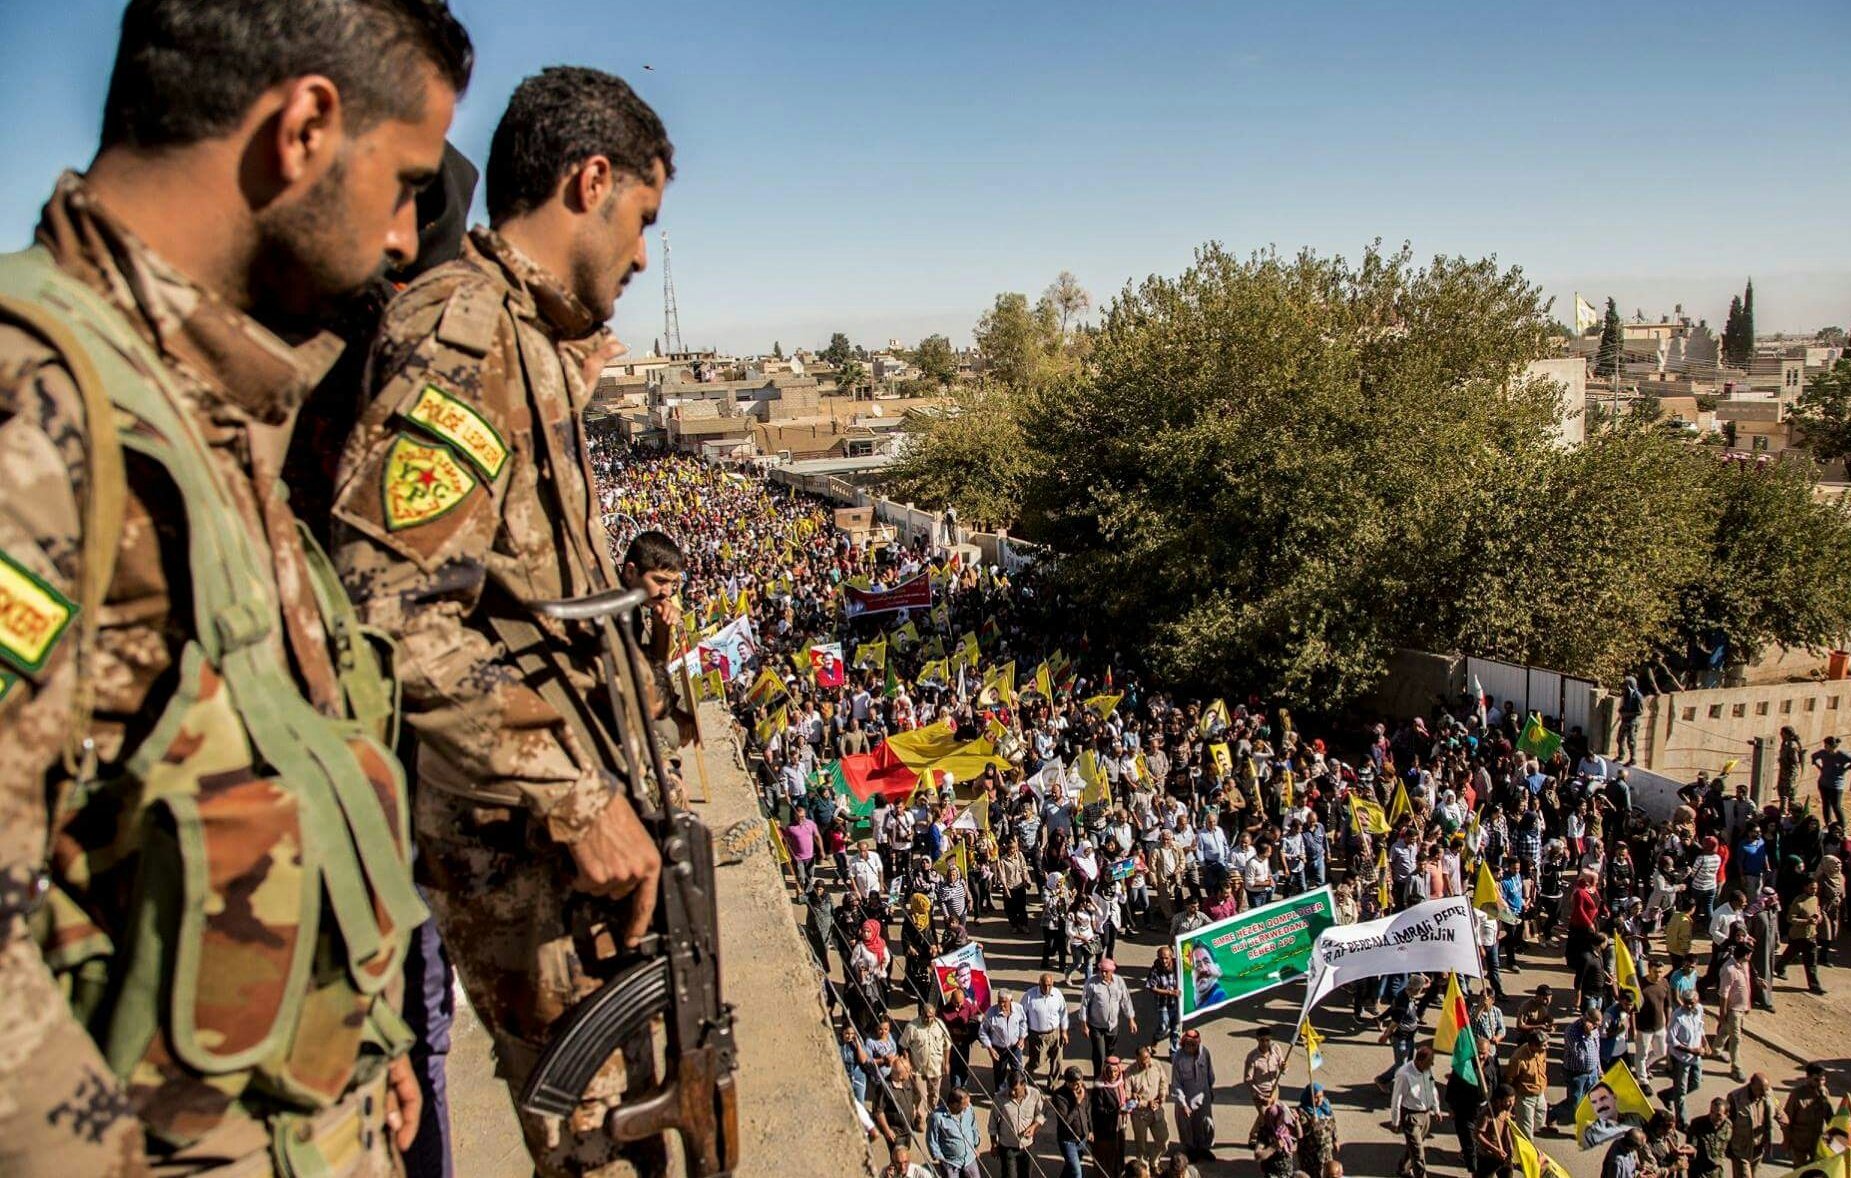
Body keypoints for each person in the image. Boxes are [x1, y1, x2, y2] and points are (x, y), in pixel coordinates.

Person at [0, 0, 472, 1172]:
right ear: (305, 125)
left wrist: (357, 1058)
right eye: (405, 180)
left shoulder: (197, 404)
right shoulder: (39, 410)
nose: (410, 239)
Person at [330, 65, 677, 1176]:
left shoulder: (518, 336)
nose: (639, 254)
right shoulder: (463, 331)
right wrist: (573, 796)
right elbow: (389, 606)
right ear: (591, 180)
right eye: (643, 221)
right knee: (599, 1145)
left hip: (570, 855)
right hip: (522, 851)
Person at [1389, 1045, 1442, 1178]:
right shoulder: (1404, 1074)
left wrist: (1436, 1109)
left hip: (1425, 1115)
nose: (1431, 1065)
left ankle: (1403, 1168)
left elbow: (1432, 1088)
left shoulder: (1427, 1069)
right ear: (1420, 1061)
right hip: (1411, 1116)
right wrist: (1395, 1121)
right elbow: (1397, 1099)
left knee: (1414, 1146)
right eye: (1429, 1062)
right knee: (1418, 1152)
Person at [1081, 958, 1137, 1074]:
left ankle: (1109, 1076)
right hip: (1096, 1026)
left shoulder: (1119, 982)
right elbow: (1084, 1005)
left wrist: (1131, 1019)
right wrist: (1084, 1024)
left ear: (1112, 971)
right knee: (1099, 1055)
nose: (1103, 974)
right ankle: (1098, 1081)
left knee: (1110, 1054)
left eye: (1106, 971)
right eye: (1101, 971)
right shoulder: (1091, 983)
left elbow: (1125, 1000)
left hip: (1112, 1026)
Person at [1725, 1073, 1785, 1178]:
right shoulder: (1736, 1098)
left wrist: (1781, 1116)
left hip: (1758, 1147)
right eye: (1760, 1090)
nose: (1764, 1094)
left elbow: (1776, 1105)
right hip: (1741, 1149)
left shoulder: (1768, 1093)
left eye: (1766, 1090)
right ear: (1751, 1085)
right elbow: (1727, 1123)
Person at [1171, 1029, 1218, 1163]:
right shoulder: (1178, 1058)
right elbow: (1176, 1083)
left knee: (1206, 1124)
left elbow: (1210, 1073)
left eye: (1193, 1045)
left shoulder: (1205, 1053)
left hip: (1204, 1096)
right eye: (1188, 1044)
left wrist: (1210, 1091)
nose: (1190, 1048)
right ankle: (1191, 1150)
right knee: (1187, 1127)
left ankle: (1204, 1148)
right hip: (1187, 1099)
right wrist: (1183, 1104)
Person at [988, 1073, 1045, 1178]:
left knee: (1026, 1175)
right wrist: (994, 1144)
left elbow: (1041, 1114)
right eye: (1010, 1089)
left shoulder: (1035, 1094)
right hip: (1007, 1146)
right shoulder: (999, 1097)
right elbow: (992, 1122)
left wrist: (1034, 1127)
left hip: (1027, 1145)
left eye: (1015, 1089)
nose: (1012, 1092)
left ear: (1024, 1085)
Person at [1775, 879, 1826, 994]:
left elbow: (1818, 912)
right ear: (1805, 887)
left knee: (1811, 961)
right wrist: (1807, 921)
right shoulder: (1798, 902)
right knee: (1790, 954)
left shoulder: (1815, 899)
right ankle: (1779, 967)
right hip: (1798, 936)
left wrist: (1819, 918)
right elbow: (1790, 918)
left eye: (1816, 888)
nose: (1814, 891)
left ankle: (1814, 985)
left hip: (1811, 935)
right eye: (1812, 888)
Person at [1667, 985, 1708, 1128]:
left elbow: (1700, 1028)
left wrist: (1705, 1043)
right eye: (1688, 1003)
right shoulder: (1677, 1017)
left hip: (1696, 1057)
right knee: (1681, 1092)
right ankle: (1681, 1121)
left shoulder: (1699, 1010)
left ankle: (1668, 1095)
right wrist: (1690, 1050)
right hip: (1682, 1059)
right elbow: (1672, 1041)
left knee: (1696, 1083)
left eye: (1693, 1002)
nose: (1691, 1006)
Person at [901, 1003, 953, 1110]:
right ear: (921, 1014)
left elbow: (947, 1045)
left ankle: (931, 1121)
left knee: (934, 1098)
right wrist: (908, 1064)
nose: (928, 1019)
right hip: (919, 1071)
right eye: (926, 1016)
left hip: (935, 1070)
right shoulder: (912, 1027)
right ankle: (921, 1124)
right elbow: (904, 1046)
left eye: (931, 1017)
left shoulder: (940, 1025)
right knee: (921, 1100)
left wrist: (946, 1063)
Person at [1022, 972, 1071, 1087]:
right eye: (1044, 985)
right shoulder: (1029, 996)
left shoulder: (1057, 995)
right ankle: (1025, 1074)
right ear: (1039, 984)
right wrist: (1023, 1036)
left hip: (1055, 1033)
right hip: (1037, 1035)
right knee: (1037, 1061)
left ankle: (1053, 1085)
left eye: (1049, 985)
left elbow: (1063, 1013)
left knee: (1057, 1060)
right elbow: (1022, 1017)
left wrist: (1064, 1031)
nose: (1047, 988)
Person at [1126, 1045, 1172, 1164]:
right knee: (1141, 1147)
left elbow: (1164, 1081)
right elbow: (1127, 1097)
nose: (1146, 1062)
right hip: (1139, 1115)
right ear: (1136, 1059)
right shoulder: (1129, 1073)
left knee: (1163, 1141)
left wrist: (1162, 1094)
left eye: (1147, 1058)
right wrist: (1145, 1103)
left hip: (1157, 1111)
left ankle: (1154, 1161)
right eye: (1142, 1060)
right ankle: (1143, 1170)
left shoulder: (1156, 1064)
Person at [1782, 1064, 1834, 1164]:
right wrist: (1786, 1141)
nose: (1820, 1083)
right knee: (1800, 1170)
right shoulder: (1797, 1095)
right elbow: (1787, 1120)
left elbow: (1829, 1117)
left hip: (1817, 1140)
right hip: (1800, 1141)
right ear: (1808, 1078)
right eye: (1816, 1080)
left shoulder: (1824, 1092)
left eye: (1823, 1080)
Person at [925, 1087, 981, 1178]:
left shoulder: (969, 1109)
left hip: (970, 1159)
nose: (967, 1106)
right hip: (951, 1163)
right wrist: (941, 1159)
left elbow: (973, 1126)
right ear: (954, 1104)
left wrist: (976, 1145)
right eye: (964, 1104)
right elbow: (931, 1140)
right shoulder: (937, 1117)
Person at [978, 989, 1028, 1091]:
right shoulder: (991, 1013)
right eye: (999, 1001)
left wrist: (1022, 1037)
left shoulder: (1018, 1009)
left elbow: (1023, 1023)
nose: (1001, 1004)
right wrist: (990, 1048)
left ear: (1011, 1001)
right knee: (999, 1073)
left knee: (1018, 1071)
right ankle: (999, 1095)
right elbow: (982, 1032)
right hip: (998, 1049)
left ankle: (1019, 1091)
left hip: (1015, 1047)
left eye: (1004, 1002)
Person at [1506, 1030, 1550, 1142]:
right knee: (1526, 1133)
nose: (1547, 1047)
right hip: (1525, 1097)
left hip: (1540, 1094)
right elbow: (1510, 1078)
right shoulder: (1518, 1058)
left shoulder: (1542, 1051)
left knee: (1540, 1120)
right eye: (1544, 1045)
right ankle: (1527, 1153)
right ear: (1534, 1045)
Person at [1090, 1055, 1131, 1175]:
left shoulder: (1120, 1083)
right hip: (1105, 1127)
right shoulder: (1100, 1087)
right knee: (1107, 1154)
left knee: (1119, 1150)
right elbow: (1098, 1110)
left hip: (1120, 1124)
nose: (1113, 1074)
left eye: (1116, 1071)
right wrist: (1116, 1112)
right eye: (1110, 1071)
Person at [1052, 1066, 1093, 1178]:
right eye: (1076, 1084)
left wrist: (1090, 1130)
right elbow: (1065, 1122)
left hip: (1082, 1138)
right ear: (1068, 1083)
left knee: (1070, 1168)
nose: (1079, 1086)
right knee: (1077, 1173)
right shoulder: (1059, 1096)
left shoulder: (1082, 1089)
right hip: (1068, 1140)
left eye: (1081, 1082)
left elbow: (1087, 1111)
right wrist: (1077, 1102)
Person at [1246, 1093, 1300, 1178]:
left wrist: (1296, 1122)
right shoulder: (1265, 1133)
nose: (1282, 1122)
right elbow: (1258, 1155)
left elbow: (1299, 1135)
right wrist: (1273, 1147)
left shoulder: (1285, 1129)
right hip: (1273, 1174)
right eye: (1279, 1120)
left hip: (1288, 1172)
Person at [1473, 1084, 1518, 1178]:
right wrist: (1495, 1150)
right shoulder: (1487, 1115)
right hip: (1488, 1157)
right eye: (1508, 1101)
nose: (1511, 1104)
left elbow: (1507, 1130)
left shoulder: (1507, 1111)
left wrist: (1510, 1146)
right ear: (1498, 1101)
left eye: (1513, 1100)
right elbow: (1477, 1134)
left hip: (1505, 1156)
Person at [1243, 1027, 1289, 1106]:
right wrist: (1259, 1095)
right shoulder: (1252, 1057)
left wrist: (1284, 1067)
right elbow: (1247, 1079)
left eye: (1267, 1040)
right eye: (1262, 1040)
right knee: (1265, 1116)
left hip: (1274, 1090)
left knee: (1273, 1115)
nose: (1265, 1043)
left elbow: (1282, 1066)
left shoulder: (1276, 1049)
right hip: (1260, 1093)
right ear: (1257, 1039)